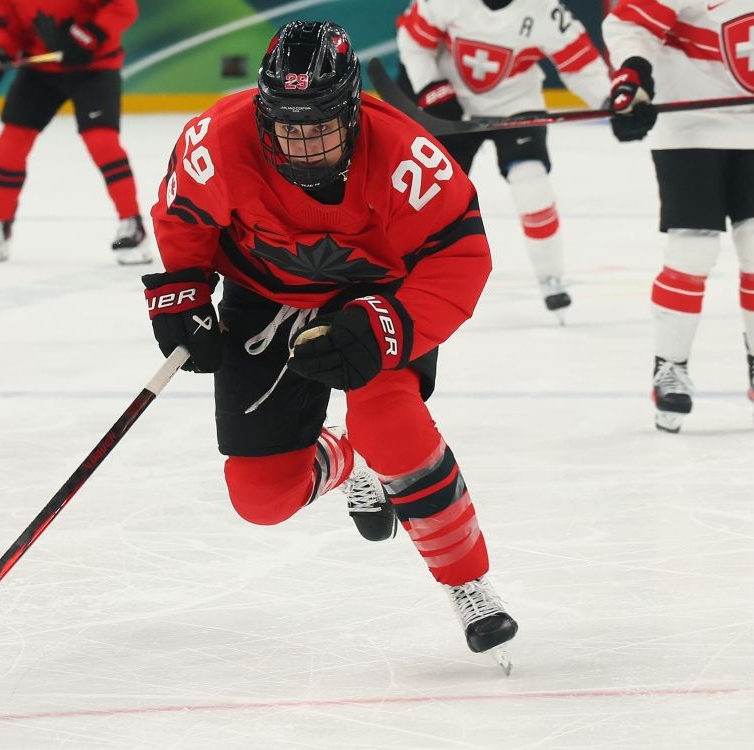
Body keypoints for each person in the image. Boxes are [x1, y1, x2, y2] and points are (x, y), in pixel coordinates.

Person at [141, 20, 518, 669]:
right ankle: (348, 462)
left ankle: (469, 585)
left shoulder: (406, 156)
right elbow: (185, 221)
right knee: (261, 499)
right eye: (288, 127)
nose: (304, 143)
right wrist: (182, 294)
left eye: (320, 125)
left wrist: (389, 326)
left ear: (352, 111)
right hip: (264, 296)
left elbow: (463, 258)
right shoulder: (216, 140)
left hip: (373, 299)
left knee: (390, 424)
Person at [395, 0, 611, 319]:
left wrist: (611, 98)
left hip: (517, 105)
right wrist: (431, 87)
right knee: (431, 194)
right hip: (454, 107)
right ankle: (403, 271)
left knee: (531, 182)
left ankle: (550, 277)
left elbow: (580, 65)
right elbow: (413, 40)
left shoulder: (544, 9)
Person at [604, 0, 754, 432]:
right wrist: (632, 77)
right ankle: (670, 367)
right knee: (692, 249)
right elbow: (629, 24)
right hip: (690, 125)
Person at [0, 0, 150, 265]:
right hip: (40, 71)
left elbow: (122, 7)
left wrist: (89, 35)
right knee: (11, 143)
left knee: (102, 142)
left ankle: (132, 224)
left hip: (95, 68)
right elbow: (6, 28)